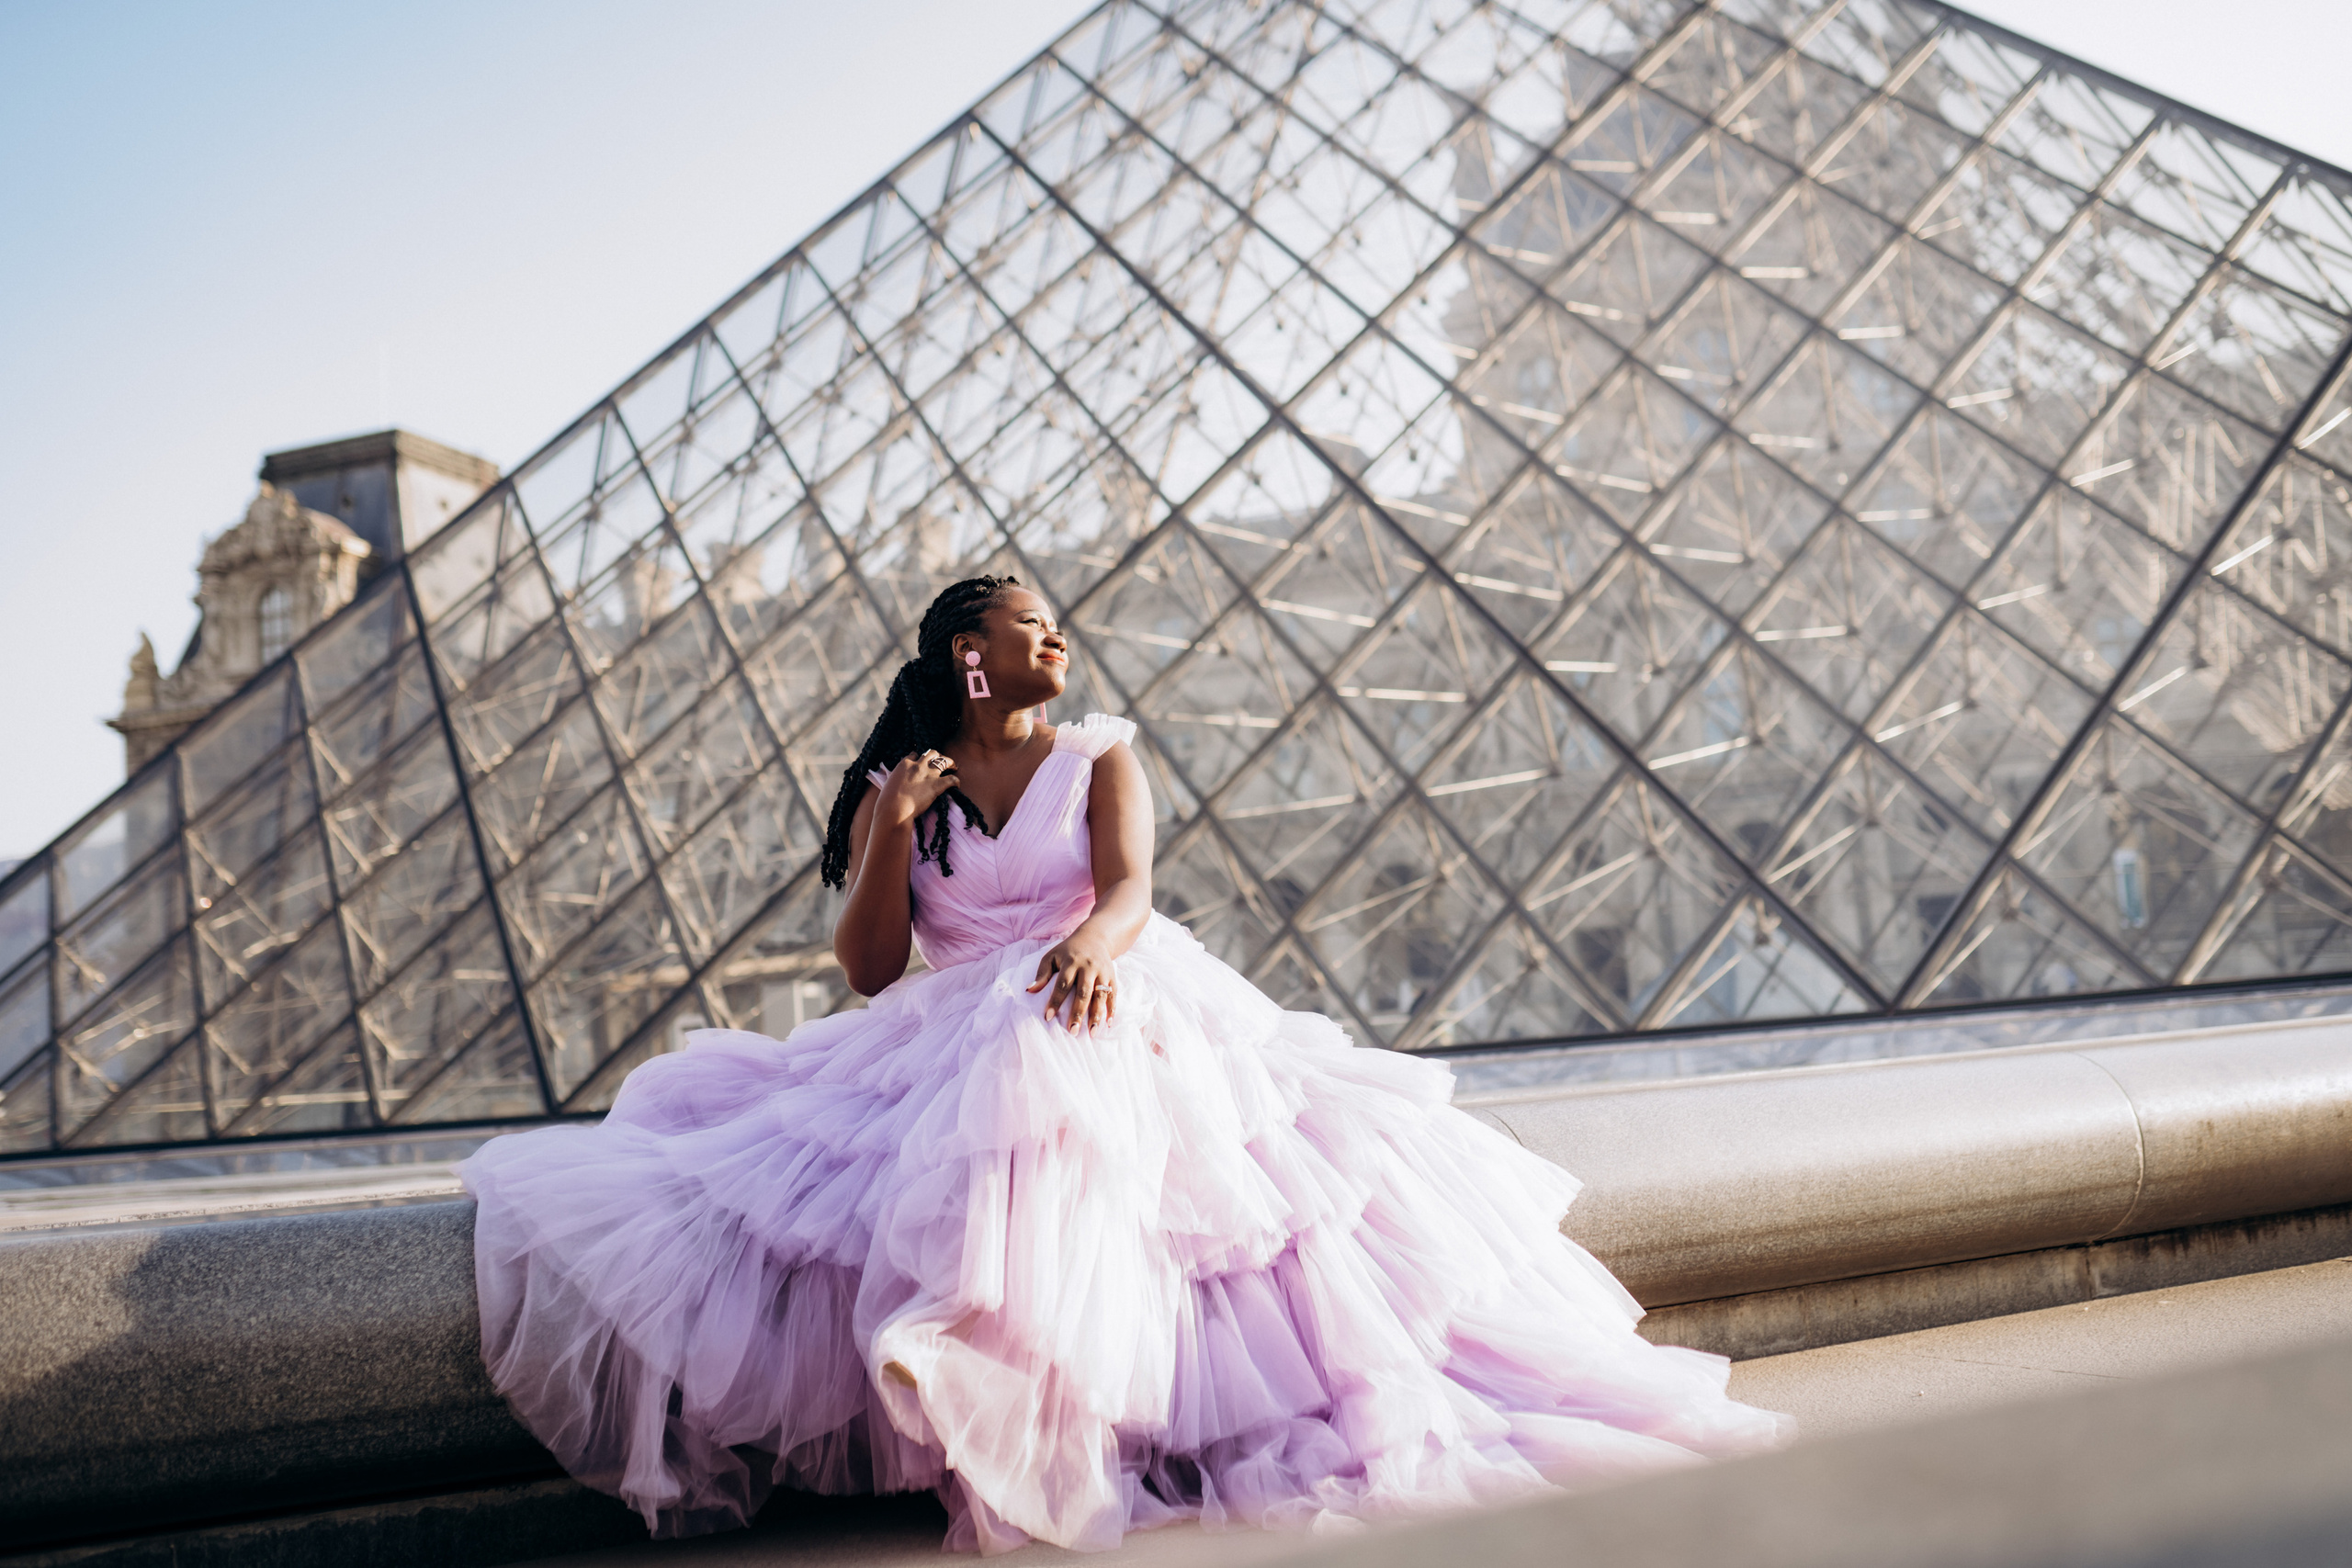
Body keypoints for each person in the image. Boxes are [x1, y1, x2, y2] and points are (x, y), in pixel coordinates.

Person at [458, 575, 1789, 1554]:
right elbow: (869, 969)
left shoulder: (1100, 755)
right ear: (970, 656)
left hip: (1097, 994)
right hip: (947, 1029)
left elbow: (1132, 888)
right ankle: (987, 1416)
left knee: (1140, 1186)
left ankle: (1081, 1424)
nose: (1057, 640)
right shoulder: (899, 792)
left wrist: (1091, 947)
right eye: (1031, 626)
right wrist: (891, 828)